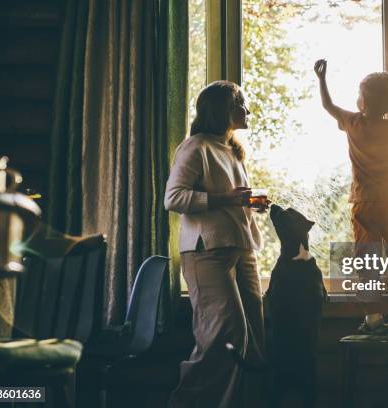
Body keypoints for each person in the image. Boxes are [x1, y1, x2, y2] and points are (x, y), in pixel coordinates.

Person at [165, 81, 267, 407]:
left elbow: (228, 200)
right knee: (223, 338)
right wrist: (226, 199)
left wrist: (248, 202)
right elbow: (173, 198)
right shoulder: (195, 147)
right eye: (242, 104)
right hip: (206, 253)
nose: (248, 111)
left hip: (242, 250)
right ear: (224, 109)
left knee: (253, 339)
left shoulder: (232, 151)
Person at [314, 59, 388, 331]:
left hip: (364, 203)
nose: (357, 99)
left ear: (365, 101)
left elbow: (328, 106)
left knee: (366, 259)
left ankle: (372, 317)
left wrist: (322, 78)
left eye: (359, 94)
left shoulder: (353, 123)